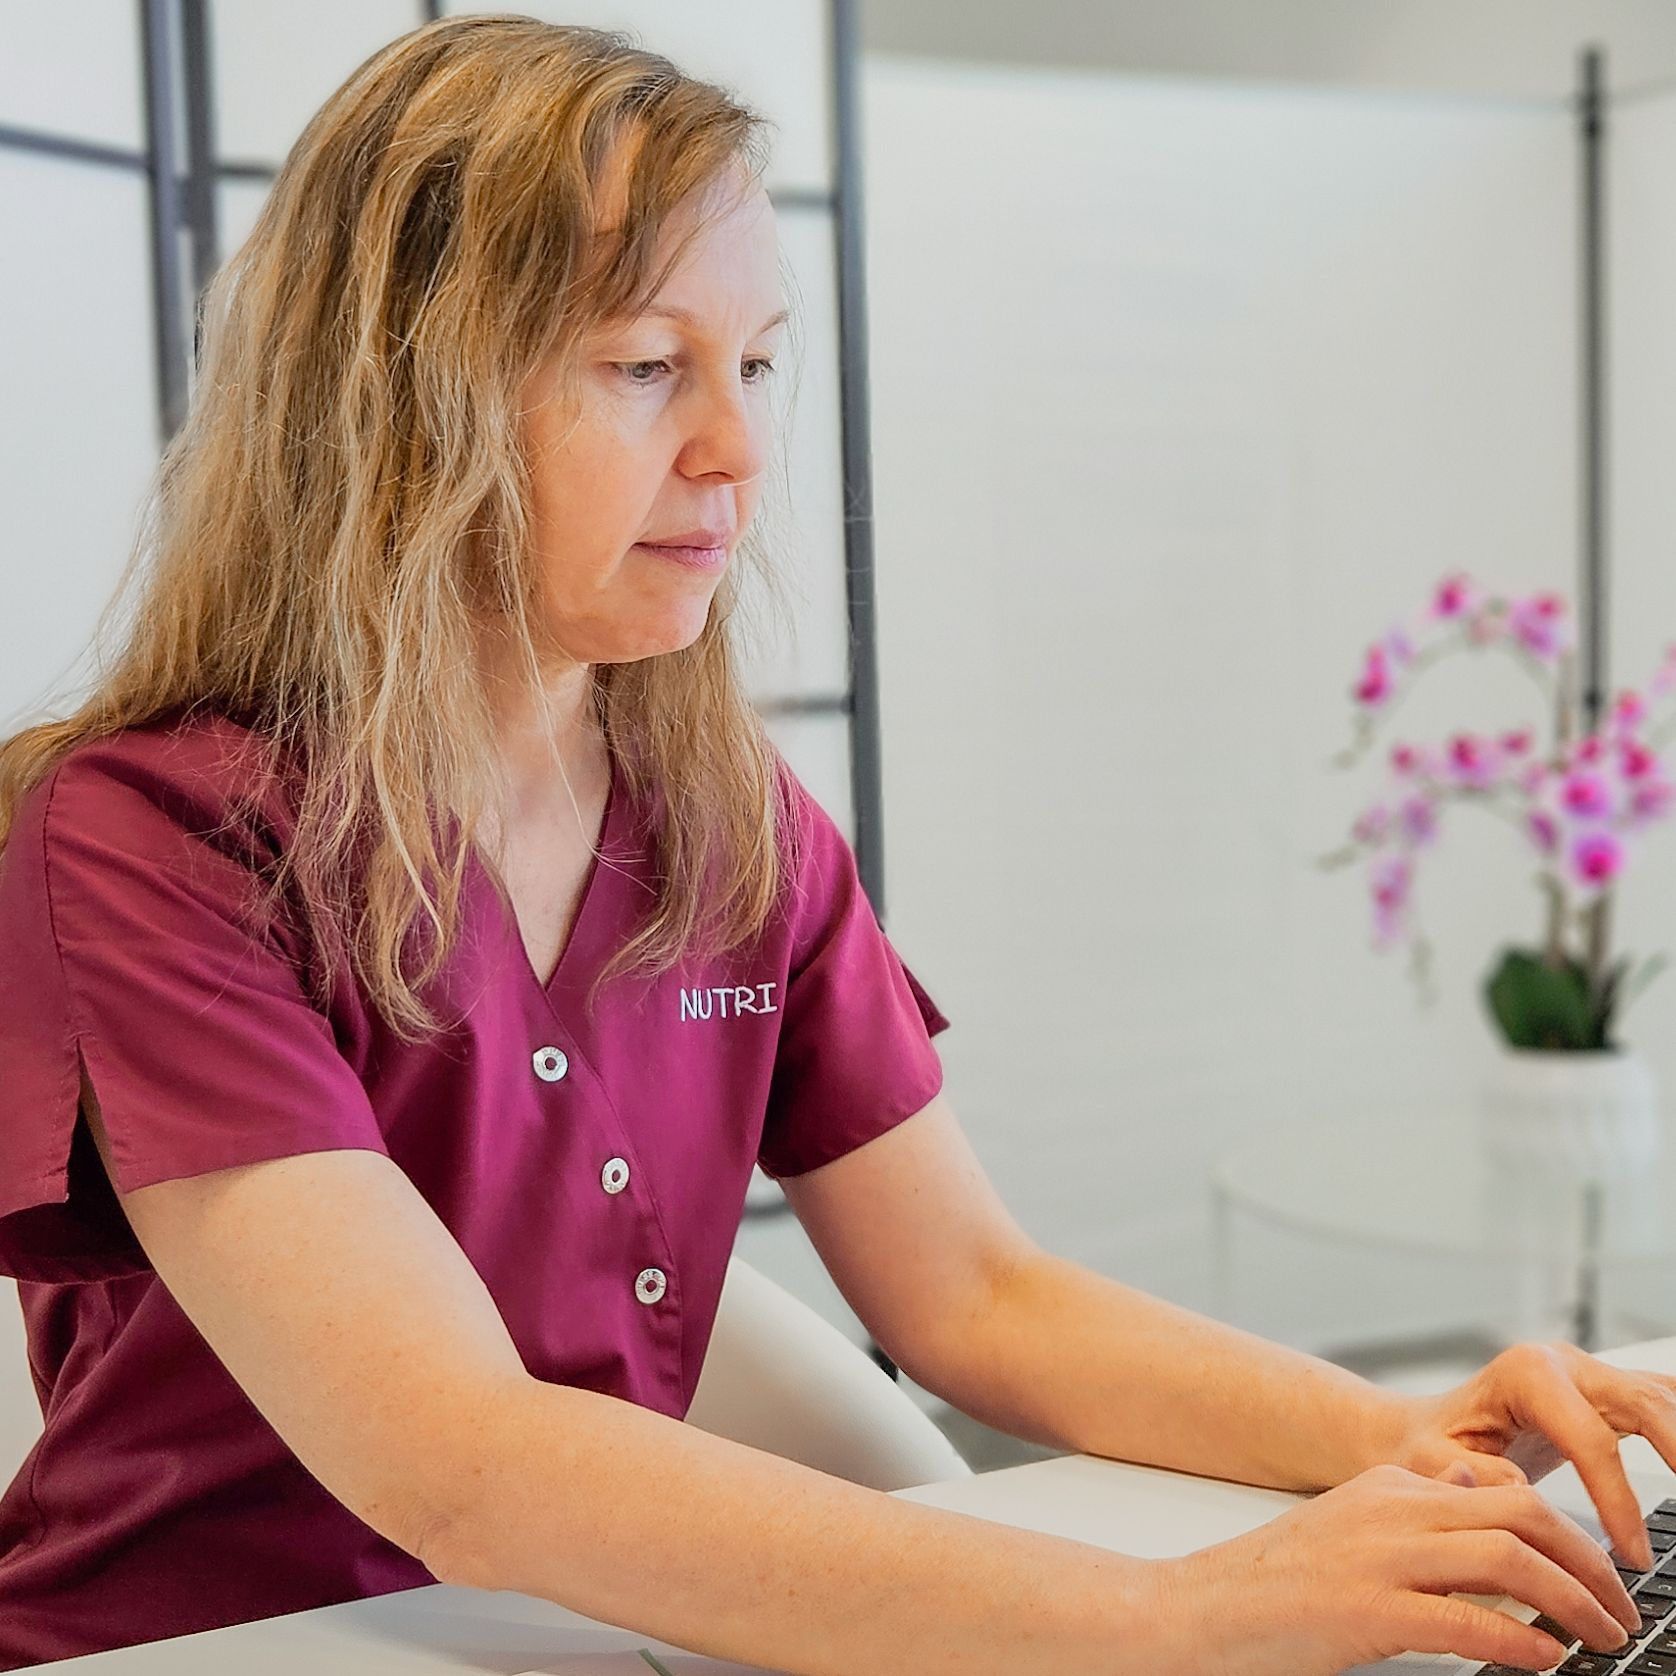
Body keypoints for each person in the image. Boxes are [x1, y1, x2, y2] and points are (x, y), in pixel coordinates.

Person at [0, 14, 1665, 1674]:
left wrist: (1404, 1434)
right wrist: (1187, 1613)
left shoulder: (730, 832)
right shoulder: (160, 839)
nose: (739, 449)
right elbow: (464, 1463)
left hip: (575, 1623)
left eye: (761, 364)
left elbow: (978, 1302)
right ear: (399, 398)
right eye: (647, 365)